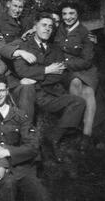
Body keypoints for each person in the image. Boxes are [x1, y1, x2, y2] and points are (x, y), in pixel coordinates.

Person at [12, 12, 86, 163]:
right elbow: (21, 71)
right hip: (30, 92)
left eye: (50, 27)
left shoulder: (56, 49)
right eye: (43, 25)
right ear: (35, 27)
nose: (47, 29)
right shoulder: (24, 46)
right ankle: (28, 144)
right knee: (27, 94)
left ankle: (53, 138)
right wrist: (46, 69)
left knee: (79, 102)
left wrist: (35, 76)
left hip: (50, 95)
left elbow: (58, 74)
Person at [54, 2, 99, 152]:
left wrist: (66, 63)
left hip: (85, 70)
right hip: (68, 72)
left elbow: (87, 60)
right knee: (75, 83)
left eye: (71, 13)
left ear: (77, 14)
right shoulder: (57, 29)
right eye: (65, 14)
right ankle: (75, 125)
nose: (68, 17)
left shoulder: (85, 32)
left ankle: (86, 135)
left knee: (89, 92)